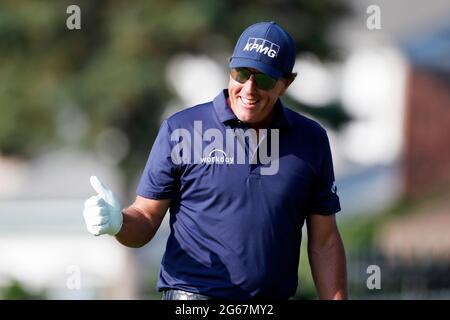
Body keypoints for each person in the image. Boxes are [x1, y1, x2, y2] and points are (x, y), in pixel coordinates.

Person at [83, 21, 347, 300]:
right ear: (229, 68)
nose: (249, 88)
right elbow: (146, 217)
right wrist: (119, 223)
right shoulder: (181, 129)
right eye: (241, 73)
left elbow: (325, 241)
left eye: (265, 79)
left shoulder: (311, 139)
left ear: (286, 83)